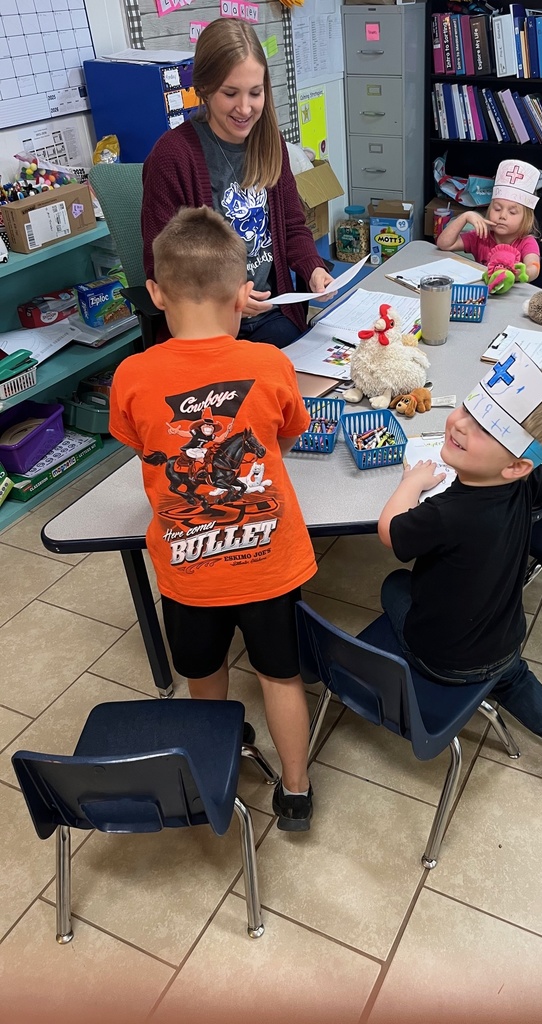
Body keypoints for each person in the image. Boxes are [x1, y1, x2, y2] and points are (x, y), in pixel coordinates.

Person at [110, 207, 316, 830]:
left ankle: (214, 768)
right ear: (242, 294)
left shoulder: (132, 376)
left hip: (187, 571)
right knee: (281, 676)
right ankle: (297, 791)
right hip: (269, 564)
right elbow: (287, 433)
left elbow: (139, 442)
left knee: (204, 675)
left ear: (155, 292)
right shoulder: (271, 365)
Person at [377, 349, 542, 797]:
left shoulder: (446, 512)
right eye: (469, 408)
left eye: (484, 427)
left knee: (394, 586)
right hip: (502, 641)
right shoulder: (525, 481)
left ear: (517, 463)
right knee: (511, 676)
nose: (459, 423)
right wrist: (533, 475)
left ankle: (447, 673)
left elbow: (390, 533)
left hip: (444, 657)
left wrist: (412, 482)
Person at [141, 17, 333, 349]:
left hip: (271, 317)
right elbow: (163, 267)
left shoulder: (268, 141)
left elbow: (292, 226)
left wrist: (313, 268)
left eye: (255, 93)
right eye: (230, 93)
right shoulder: (172, 157)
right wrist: (229, 300)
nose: (245, 108)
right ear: (203, 88)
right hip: (204, 326)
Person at [435, 160, 542, 284]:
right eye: (497, 209)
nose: (502, 216)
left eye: (512, 212)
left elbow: (534, 268)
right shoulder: (481, 236)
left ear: (526, 219)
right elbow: (444, 244)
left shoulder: (527, 242)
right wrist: (465, 217)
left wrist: (521, 273)